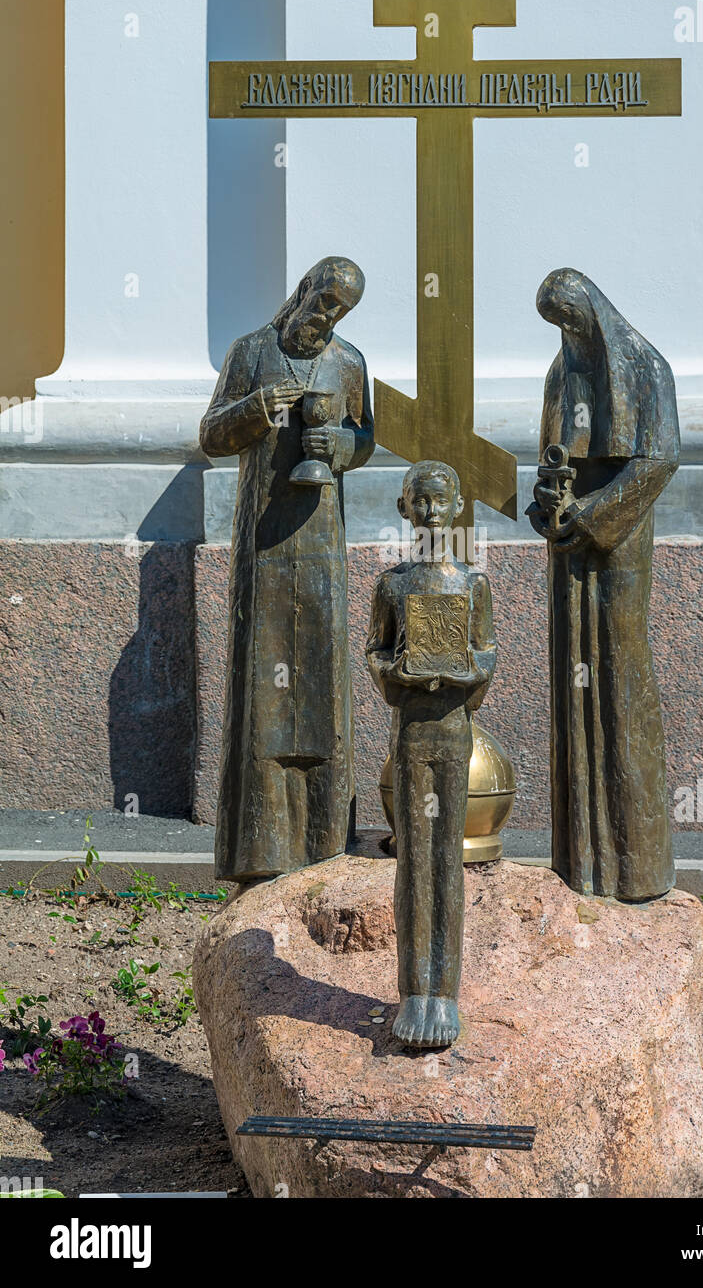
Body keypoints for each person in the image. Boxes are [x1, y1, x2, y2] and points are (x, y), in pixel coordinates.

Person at [200, 257, 374, 881]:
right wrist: (255, 407)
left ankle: (326, 841)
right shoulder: (250, 352)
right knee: (262, 691)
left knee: (322, 683)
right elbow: (211, 435)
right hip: (266, 544)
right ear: (301, 291)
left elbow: (365, 436)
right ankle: (261, 849)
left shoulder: (348, 363)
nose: (327, 319)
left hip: (321, 543)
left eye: (340, 311)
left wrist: (344, 449)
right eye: (323, 302)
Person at [527, 268, 679, 902]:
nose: (566, 334)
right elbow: (549, 462)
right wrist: (547, 505)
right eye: (556, 325)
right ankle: (579, 860)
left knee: (617, 672)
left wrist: (597, 513)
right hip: (572, 547)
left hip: (617, 541)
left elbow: (659, 457)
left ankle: (634, 863)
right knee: (574, 678)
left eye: (571, 320)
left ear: (594, 311)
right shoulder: (561, 374)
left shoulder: (644, 365)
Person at [366, 461, 496, 1048]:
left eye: (442, 502)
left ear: (459, 506)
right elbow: (374, 651)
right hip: (412, 733)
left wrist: (465, 673)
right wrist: (399, 673)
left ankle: (444, 993)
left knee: (447, 860)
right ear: (404, 509)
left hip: (453, 733)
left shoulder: (472, 584)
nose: (432, 512)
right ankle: (412, 991)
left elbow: (487, 655)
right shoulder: (393, 586)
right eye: (421, 501)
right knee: (414, 860)